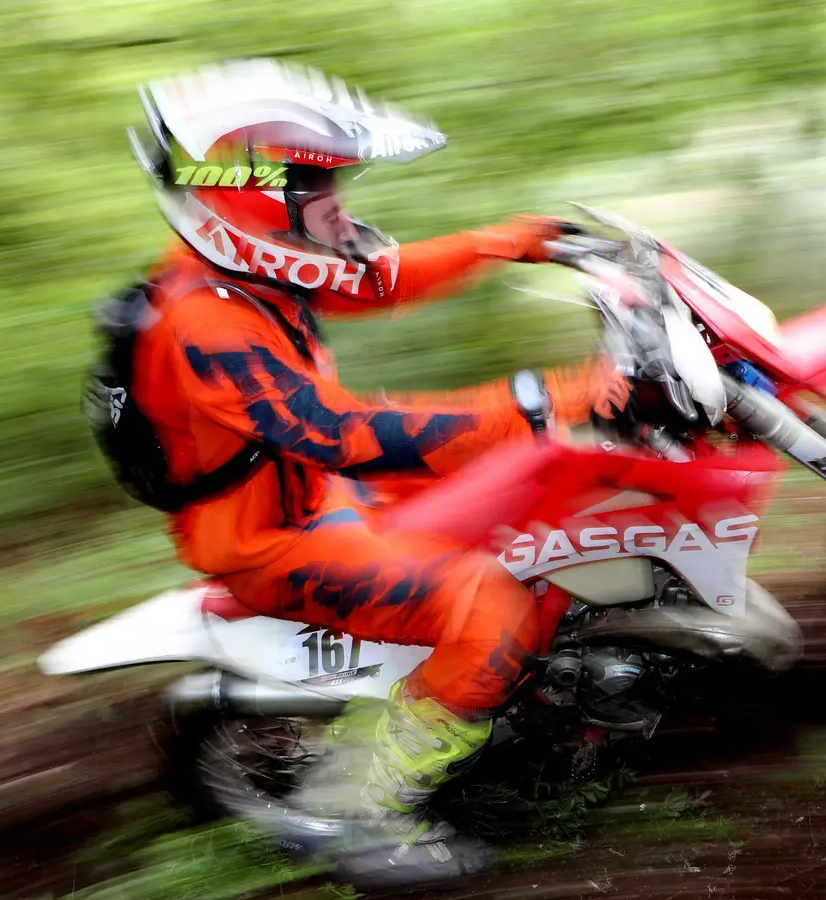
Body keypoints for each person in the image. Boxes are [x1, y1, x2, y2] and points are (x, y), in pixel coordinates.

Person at [123, 59, 627, 886]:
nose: (341, 202)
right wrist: (541, 398)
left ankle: (551, 688)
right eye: (319, 184)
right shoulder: (203, 323)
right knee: (492, 605)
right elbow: (338, 433)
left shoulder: (252, 268)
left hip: (316, 492)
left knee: (534, 488)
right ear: (252, 195)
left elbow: (378, 279)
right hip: (271, 539)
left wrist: (511, 240)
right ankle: (363, 809)